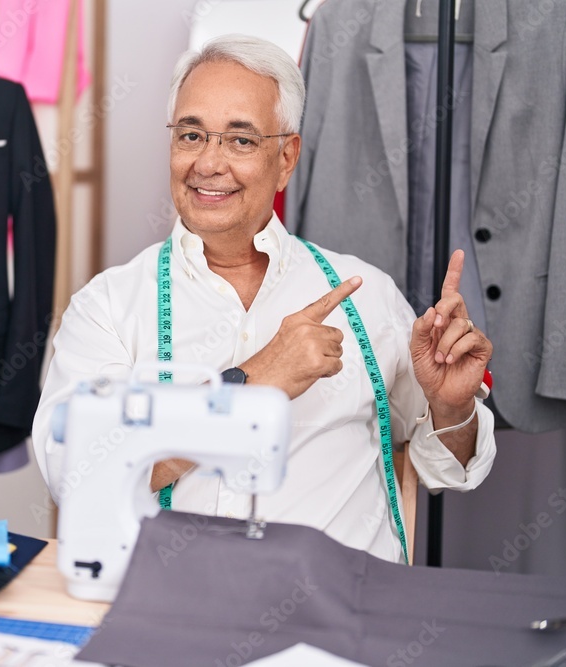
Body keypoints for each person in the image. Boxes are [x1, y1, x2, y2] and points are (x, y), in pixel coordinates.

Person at [32, 34, 496, 563]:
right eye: (191, 135)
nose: (208, 163)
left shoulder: (364, 295)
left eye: (241, 141)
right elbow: (76, 475)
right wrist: (251, 383)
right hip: (172, 615)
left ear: (287, 156)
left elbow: (447, 468)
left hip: (338, 619)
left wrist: (451, 404)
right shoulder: (109, 307)